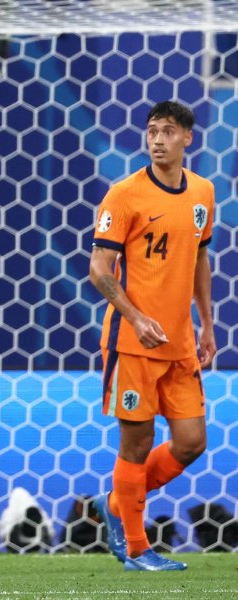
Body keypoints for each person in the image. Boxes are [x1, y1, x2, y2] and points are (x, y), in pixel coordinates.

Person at [89, 100, 216, 572]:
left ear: (187, 138)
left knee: (191, 441)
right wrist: (136, 317)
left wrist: (206, 322)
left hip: (181, 342)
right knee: (136, 446)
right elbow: (99, 269)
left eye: (167, 131)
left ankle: (118, 503)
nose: (157, 139)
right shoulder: (124, 195)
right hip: (131, 343)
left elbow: (200, 258)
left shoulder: (203, 192)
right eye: (151, 131)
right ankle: (137, 549)